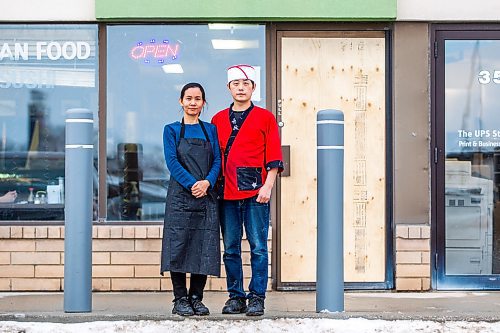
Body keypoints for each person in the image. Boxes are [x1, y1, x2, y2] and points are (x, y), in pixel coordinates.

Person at [211, 65, 284, 316]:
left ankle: (257, 296)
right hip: (226, 192)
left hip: (256, 191)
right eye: (236, 84)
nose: (241, 88)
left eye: (246, 83)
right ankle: (235, 296)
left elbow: (274, 154)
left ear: (253, 87)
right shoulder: (218, 119)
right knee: (230, 247)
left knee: (258, 246)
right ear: (229, 88)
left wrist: (268, 186)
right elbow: (213, 156)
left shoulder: (265, 117)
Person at [161, 82, 221, 316]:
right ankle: (180, 299)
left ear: (203, 103)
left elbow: (217, 160)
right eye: (189, 98)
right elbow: (172, 162)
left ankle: (197, 298)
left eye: (197, 99)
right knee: (178, 247)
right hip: (180, 198)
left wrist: (207, 182)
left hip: (206, 197)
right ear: (181, 101)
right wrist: (192, 184)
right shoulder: (171, 130)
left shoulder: (211, 130)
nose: (193, 103)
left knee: (202, 247)